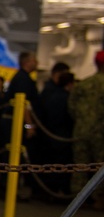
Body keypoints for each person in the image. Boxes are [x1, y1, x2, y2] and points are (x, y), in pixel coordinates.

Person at [0, 51, 39, 199]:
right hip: (13, 124)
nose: (37, 63)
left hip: (10, 123)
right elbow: (23, 104)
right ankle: (7, 190)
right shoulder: (23, 79)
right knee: (12, 157)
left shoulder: (21, 77)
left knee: (10, 157)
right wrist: (29, 125)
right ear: (27, 62)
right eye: (34, 60)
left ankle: (7, 189)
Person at [68, 50, 104, 209]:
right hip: (100, 133)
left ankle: (78, 200)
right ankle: (99, 199)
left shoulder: (83, 84)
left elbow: (71, 107)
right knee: (100, 168)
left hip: (80, 131)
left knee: (80, 165)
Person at [34, 65, 74, 200]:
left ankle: (47, 191)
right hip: (61, 135)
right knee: (59, 166)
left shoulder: (49, 93)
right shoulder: (66, 98)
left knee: (49, 164)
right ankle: (54, 192)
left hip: (49, 135)